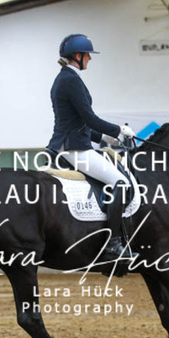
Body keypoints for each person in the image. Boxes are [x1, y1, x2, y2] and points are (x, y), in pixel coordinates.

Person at [47, 33, 137, 261]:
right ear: (77, 56)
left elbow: (78, 122)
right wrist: (119, 130)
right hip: (75, 149)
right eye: (87, 55)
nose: (90, 59)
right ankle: (113, 244)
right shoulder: (71, 80)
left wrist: (105, 138)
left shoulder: (64, 78)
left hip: (68, 143)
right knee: (120, 182)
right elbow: (89, 118)